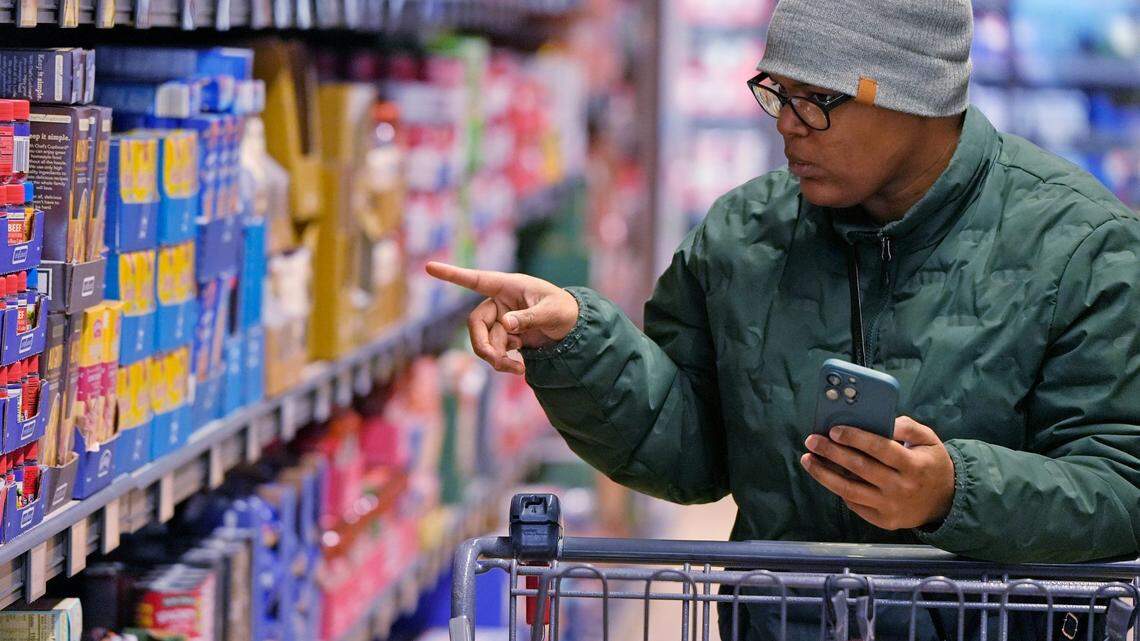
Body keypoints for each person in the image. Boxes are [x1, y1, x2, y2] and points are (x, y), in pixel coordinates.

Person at [428, 0, 1140, 638]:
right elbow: (693, 451)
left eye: (817, 100)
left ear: (918, 92)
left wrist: (953, 492)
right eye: (778, 94)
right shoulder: (745, 235)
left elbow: (1120, 484)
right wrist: (578, 342)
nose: (789, 127)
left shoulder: (1084, 247)